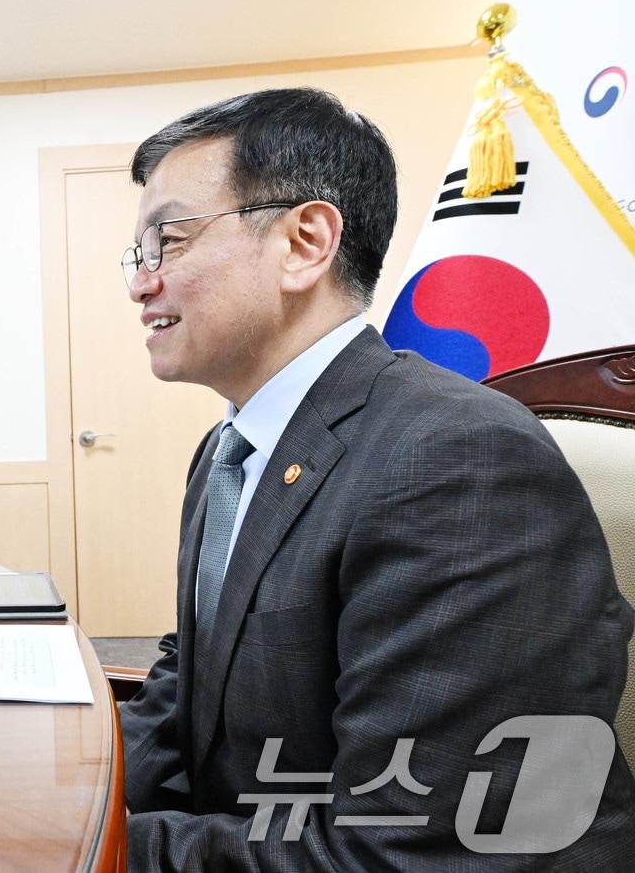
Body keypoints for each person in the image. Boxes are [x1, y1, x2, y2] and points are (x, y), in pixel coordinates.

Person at [116, 88, 635, 870]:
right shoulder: (232, 447)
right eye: (138, 255)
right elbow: (188, 678)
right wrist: (68, 785)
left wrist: (84, 843)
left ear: (304, 243)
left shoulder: (459, 461)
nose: (140, 283)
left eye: (170, 241)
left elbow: (410, 851)